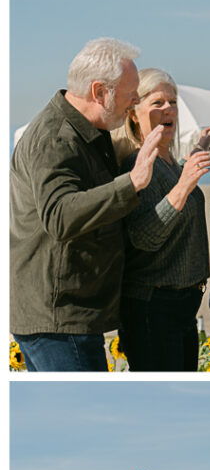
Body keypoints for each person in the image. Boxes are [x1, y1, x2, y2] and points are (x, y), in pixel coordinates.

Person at [10, 38, 163, 372]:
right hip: (59, 321)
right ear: (99, 92)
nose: (136, 100)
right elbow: (60, 215)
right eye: (130, 92)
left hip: (66, 318)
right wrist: (132, 182)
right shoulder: (57, 138)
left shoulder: (87, 133)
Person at [112, 69, 210, 371]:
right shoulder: (136, 165)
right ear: (133, 114)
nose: (168, 109)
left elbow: (168, 186)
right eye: (157, 103)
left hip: (182, 308)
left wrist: (194, 157)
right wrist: (185, 185)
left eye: (172, 101)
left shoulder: (167, 162)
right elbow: (144, 236)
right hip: (154, 309)